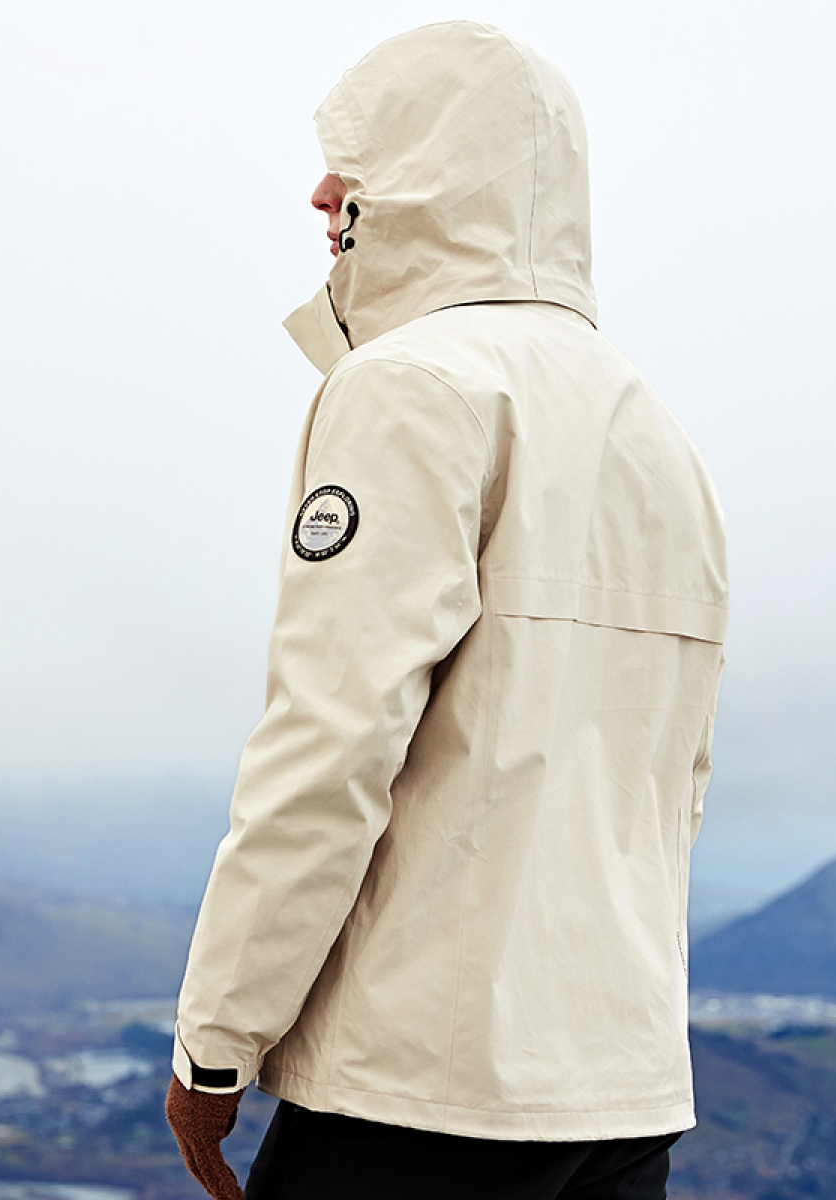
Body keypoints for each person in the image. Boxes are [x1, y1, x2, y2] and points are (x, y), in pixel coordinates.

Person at [165, 20, 727, 1200]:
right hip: (619, 1092)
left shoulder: (412, 386)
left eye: (358, 159)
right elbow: (672, 782)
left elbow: (331, 743)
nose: (320, 192)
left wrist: (217, 1041)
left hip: (419, 1088)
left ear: (431, 175)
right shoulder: (655, 430)